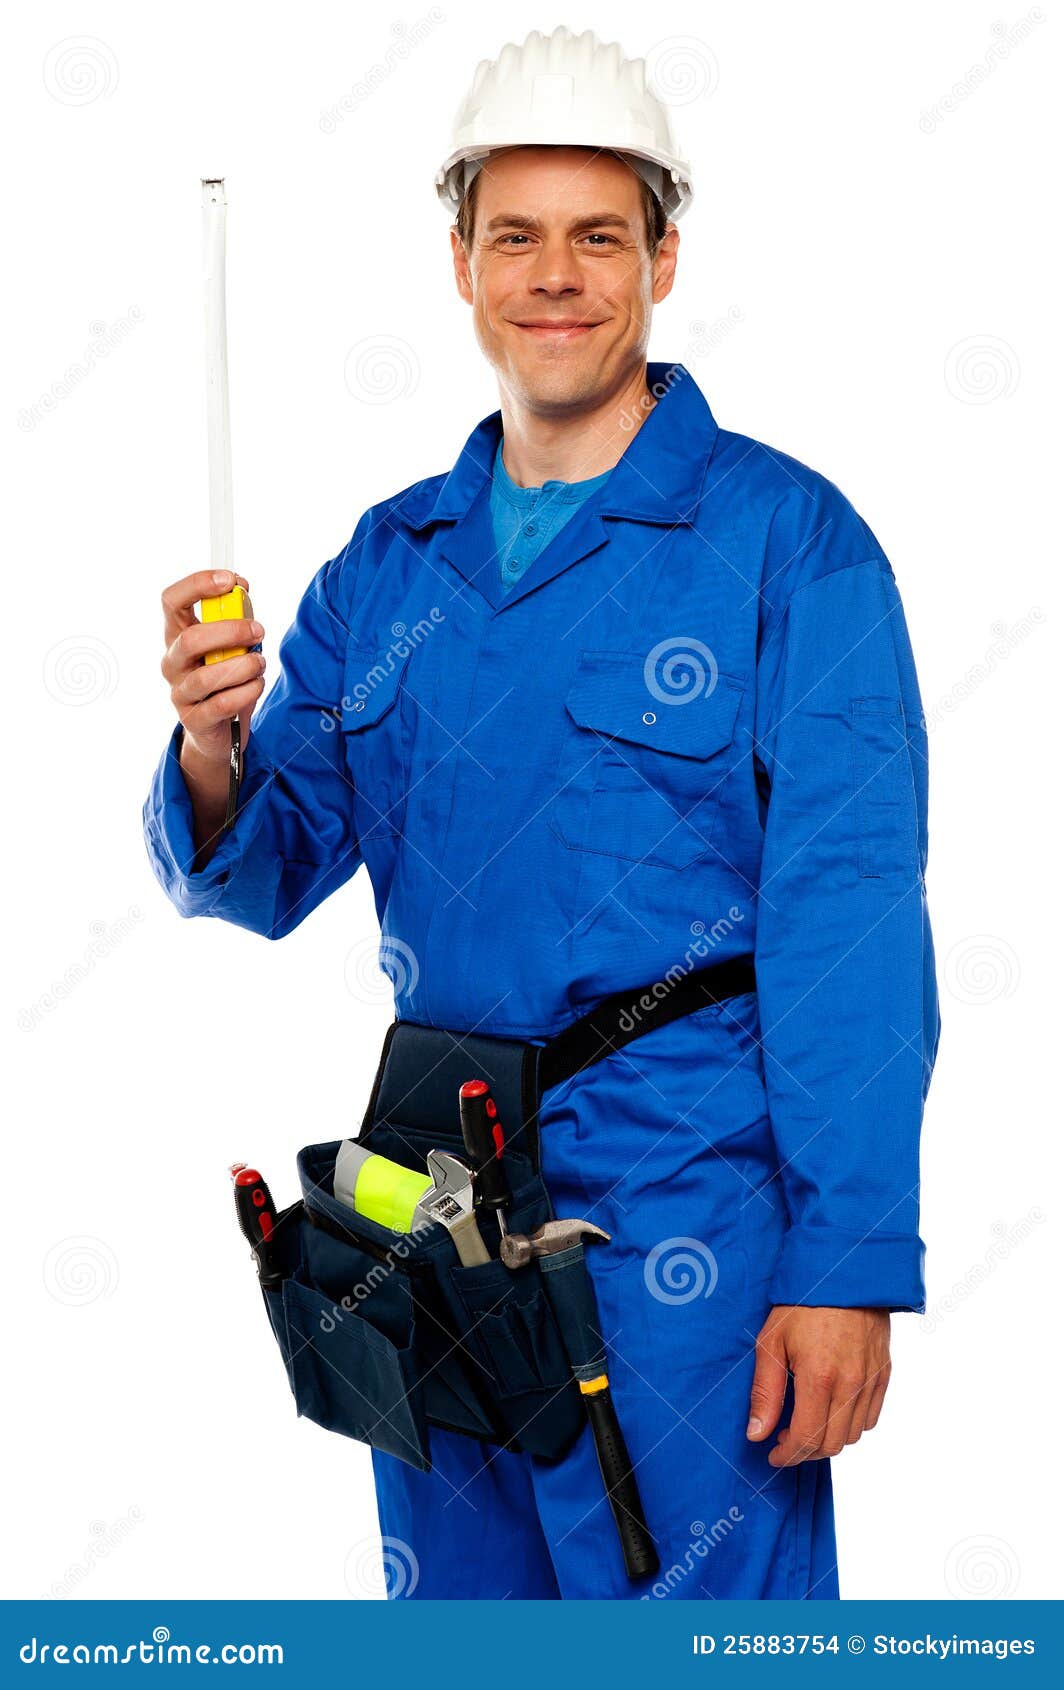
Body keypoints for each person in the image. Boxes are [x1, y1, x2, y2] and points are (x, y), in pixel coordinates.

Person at [145, 27, 939, 1599]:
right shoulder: (391, 566)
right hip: (433, 1223)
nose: (556, 275)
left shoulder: (791, 544)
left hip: (687, 1241)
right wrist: (214, 743)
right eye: (517, 235)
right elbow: (267, 864)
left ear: (662, 256)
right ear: (462, 263)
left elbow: (848, 924)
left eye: (598, 235)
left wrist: (847, 1265)